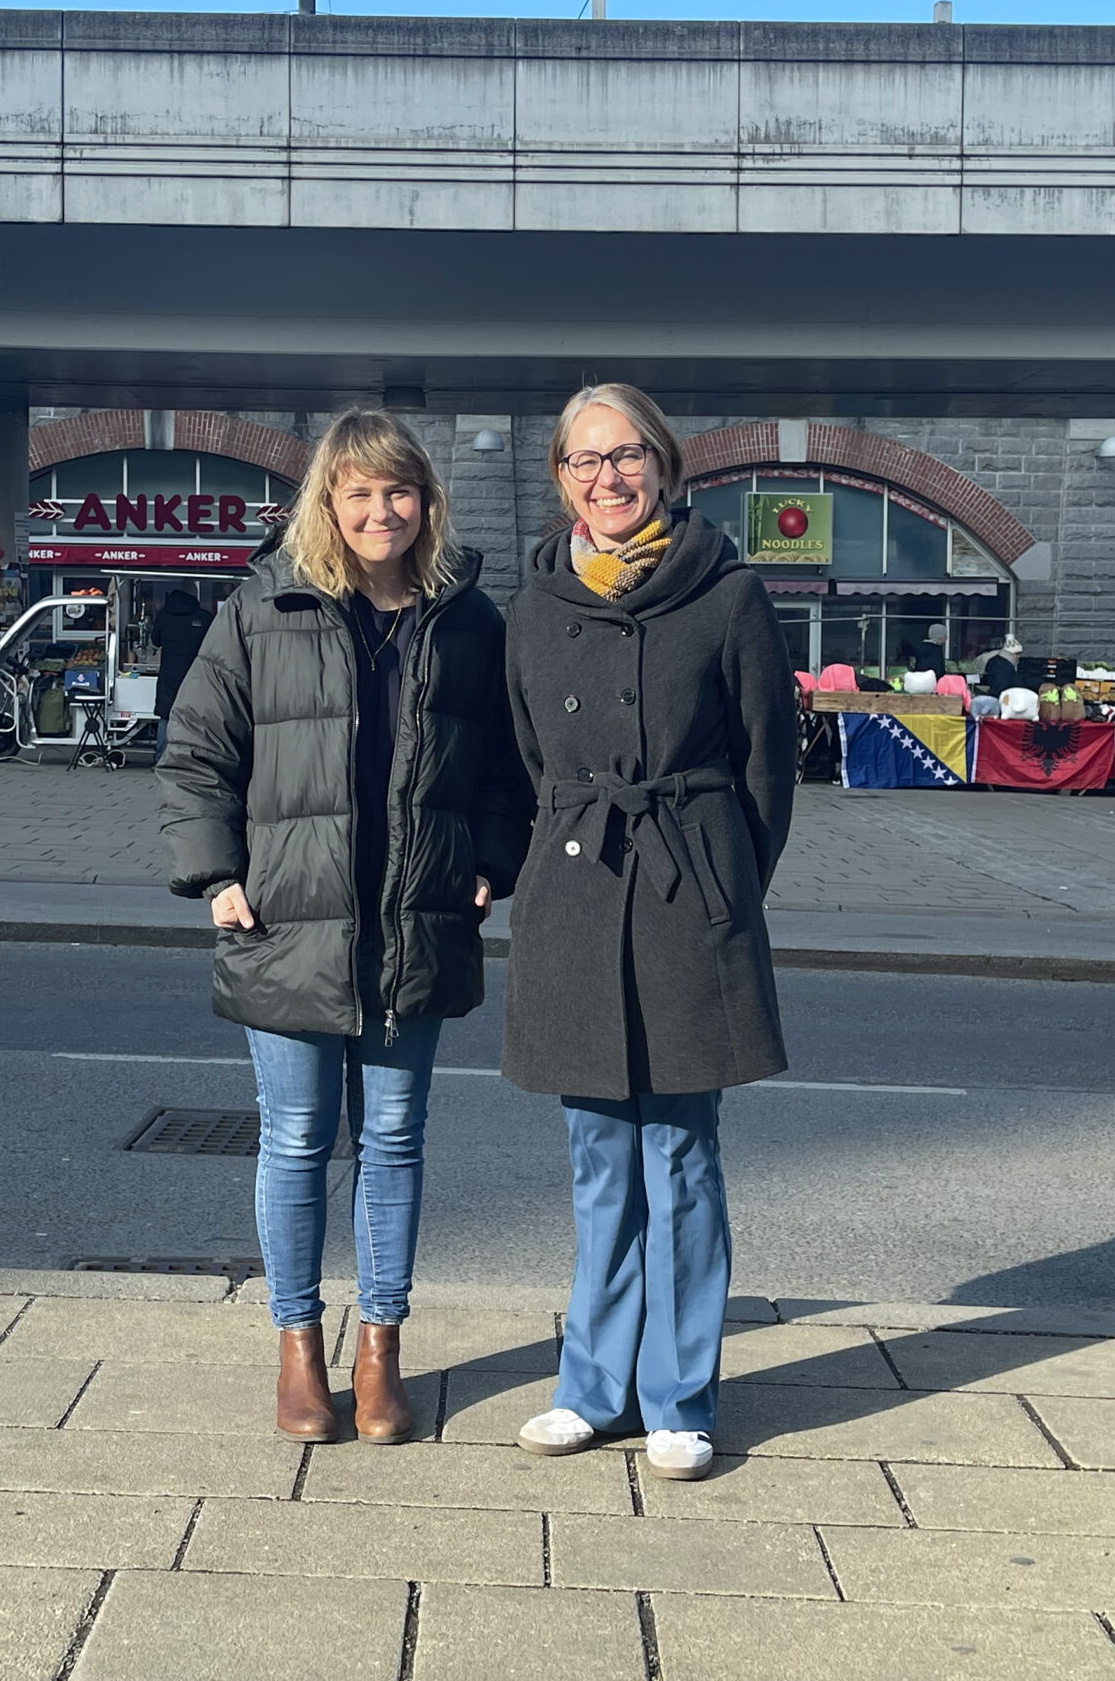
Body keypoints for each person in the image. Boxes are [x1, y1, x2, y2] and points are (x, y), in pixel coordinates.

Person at [160, 409, 530, 1444]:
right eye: (360, 492)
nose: (382, 510)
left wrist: (491, 863)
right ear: (329, 502)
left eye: (399, 491)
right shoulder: (262, 607)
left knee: (397, 1138)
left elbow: (507, 767)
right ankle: (297, 1352)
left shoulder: (468, 619)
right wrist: (215, 872)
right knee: (294, 1139)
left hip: (412, 916)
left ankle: (380, 1353)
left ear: (426, 502)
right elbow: (196, 751)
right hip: (285, 913)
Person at [502, 382, 797, 1484]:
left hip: (686, 894)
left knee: (679, 1155)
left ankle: (679, 1398)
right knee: (594, 1160)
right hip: (578, 893)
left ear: (664, 467)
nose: (607, 478)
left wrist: (723, 882)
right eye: (584, 461)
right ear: (561, 480)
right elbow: (529, 760)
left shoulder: (727, 595)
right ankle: (589, 1386)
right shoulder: (534, 603)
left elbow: (768, 769)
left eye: (625, 456)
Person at [147, 586, 214, 766]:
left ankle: (161, 758)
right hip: (196, 675)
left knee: (166, 717)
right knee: (196, 719)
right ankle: (194, 760)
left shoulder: (163, 616)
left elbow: (155, 641)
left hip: (169, 675)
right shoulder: (204, 618)